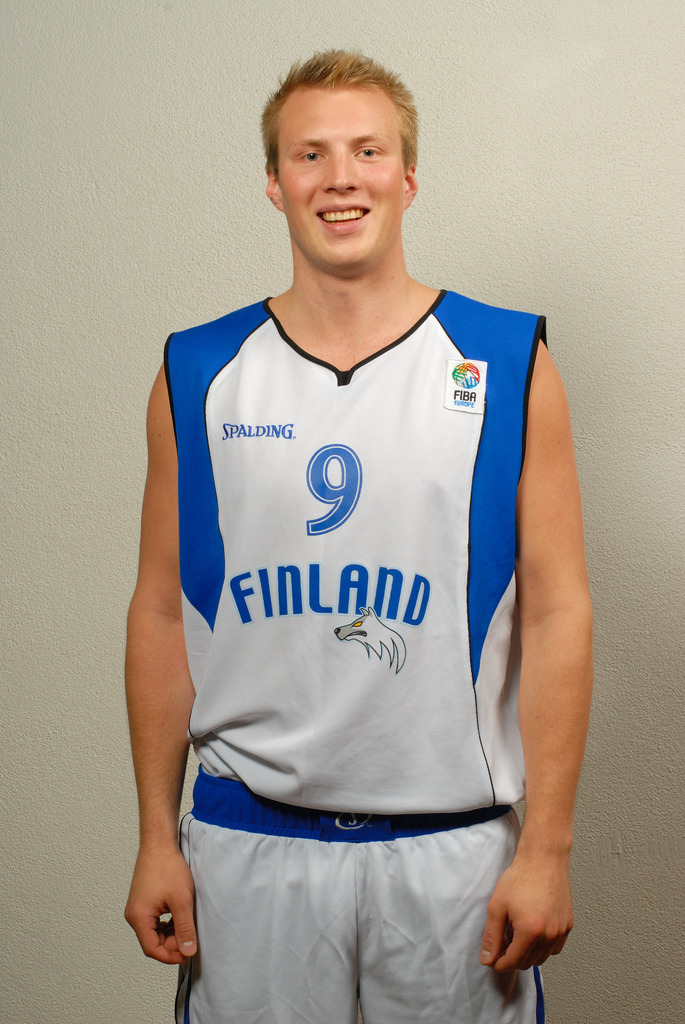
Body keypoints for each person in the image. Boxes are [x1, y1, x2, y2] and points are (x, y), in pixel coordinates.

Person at [124, 50, 593, 1024]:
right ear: (274, 181)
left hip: (450, 852)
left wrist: (546, 846)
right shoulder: (200, 370)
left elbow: (557, 612)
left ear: (407, 176)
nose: (340, 177)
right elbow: (163, 608)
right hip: (249, 847)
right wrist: (154, 837)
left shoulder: (505, 360)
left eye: (367, 151)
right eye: (310, 154)